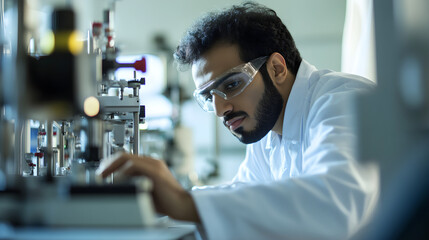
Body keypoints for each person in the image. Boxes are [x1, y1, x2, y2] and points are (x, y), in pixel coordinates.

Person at [98, 2, 379, 239]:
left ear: (277, 68)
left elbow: (333, 205)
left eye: (231, 84)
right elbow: (245, 194)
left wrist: (186, 202)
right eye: (209, 97)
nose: (220, 109)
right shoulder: (270, 132)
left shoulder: (344, 101)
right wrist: (159, 201)